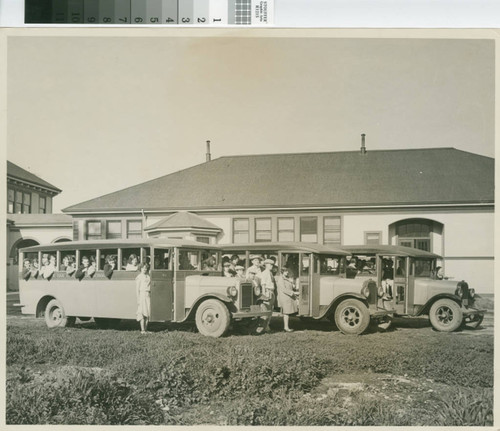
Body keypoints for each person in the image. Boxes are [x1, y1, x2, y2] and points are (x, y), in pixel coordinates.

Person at [276, 267, 298, 332]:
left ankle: (286, 327)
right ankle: (286, 327)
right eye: (285, 271)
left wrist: (292, 284)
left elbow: (290, 286)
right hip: (285, 297)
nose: (287, 272)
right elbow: (283, 289)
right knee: (286, 313)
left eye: (287, 271)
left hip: (288, 297)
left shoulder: (286, 278)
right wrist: (292, 293)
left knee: (287, 313)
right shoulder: (281, 279)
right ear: (282, 272)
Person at [259, 258, 276, 332]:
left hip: (271, 291)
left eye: (272, 265)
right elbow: (263, 284)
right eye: (270, 265)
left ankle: (267, 325)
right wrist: (264, 295)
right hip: (267, 291)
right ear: (266, 265)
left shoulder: (270, 273)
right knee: (266, 309)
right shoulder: (264, 273)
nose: (271, 266)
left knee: (271, 309)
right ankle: (265, 326)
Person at [136, 263, 151, 334]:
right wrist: (138, 299)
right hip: (142, 294)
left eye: (145, 268)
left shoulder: (148, 276)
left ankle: (146, 329)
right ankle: (142, 330)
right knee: (142, 313)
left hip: (148, 294)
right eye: (143, 268)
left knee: (147, 312)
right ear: (140, 269)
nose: (144, 269)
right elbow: (137, 289)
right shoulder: (139, 277)